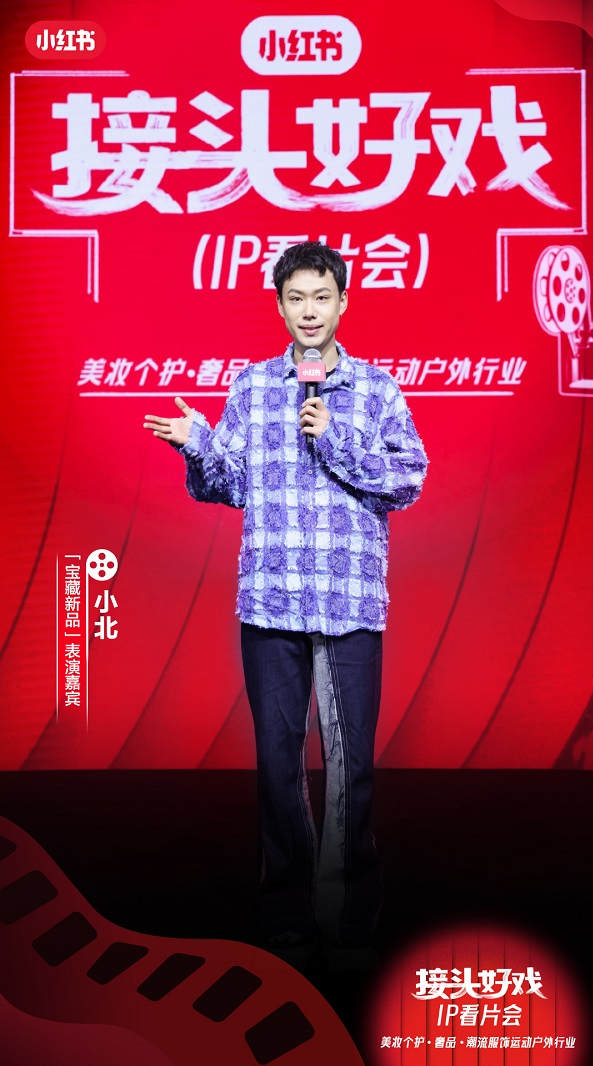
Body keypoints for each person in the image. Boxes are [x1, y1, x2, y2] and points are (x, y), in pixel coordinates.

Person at [143, 241, 427, 959]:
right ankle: (287, 910)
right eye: (296, 298)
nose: (309, 311)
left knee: (350, 766)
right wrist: (197, 444)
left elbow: (409, 479)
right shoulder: (252, 386)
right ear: (279, 305)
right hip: (271, 600)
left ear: (343, 303)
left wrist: (337, 441)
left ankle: (349, 913)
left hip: (347, 599)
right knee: (277, 761)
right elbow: (230, 484)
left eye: (321, 297)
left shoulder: (377, 390)